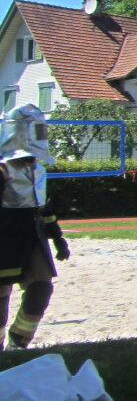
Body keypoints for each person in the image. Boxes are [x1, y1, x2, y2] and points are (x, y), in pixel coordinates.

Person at [0, 103, 69, 349]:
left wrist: (58, 238)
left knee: (41, 287)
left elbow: (44, 209)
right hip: (5, 239)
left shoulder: (38, 169)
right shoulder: (2, 169)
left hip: (32, 239)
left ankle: (19, 340)